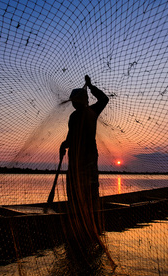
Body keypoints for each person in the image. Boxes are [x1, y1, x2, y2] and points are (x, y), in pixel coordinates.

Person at [60, 75, 109, 227]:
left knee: (89, 187)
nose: (74, 104)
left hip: (87, 158)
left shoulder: (91, 111)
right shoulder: (73, 116)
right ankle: (77, 216)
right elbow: (70, 138)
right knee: (74, 188)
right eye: (73, 101)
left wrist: (91, 86)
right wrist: (64, 145)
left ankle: (90, 217)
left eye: (75, 101)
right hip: (75, 158)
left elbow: (104, 99)